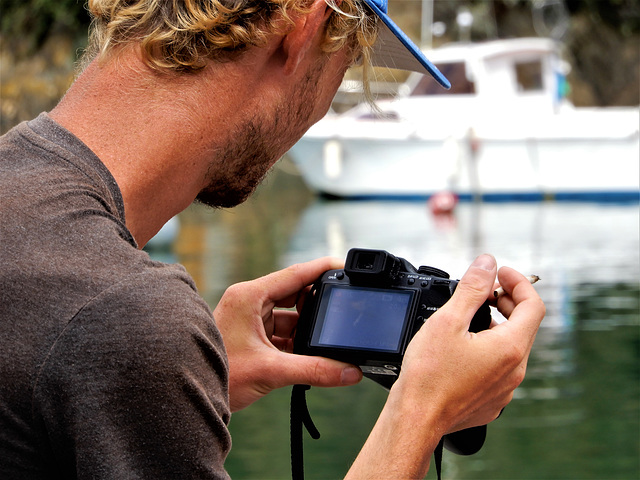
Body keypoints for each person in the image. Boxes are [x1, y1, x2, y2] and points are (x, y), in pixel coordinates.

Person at [0, 0, 545, 478]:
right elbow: (107, 328)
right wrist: (422, 415)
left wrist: (192, 385)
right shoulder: (127, 315)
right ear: (304, 28)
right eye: (344, 64)